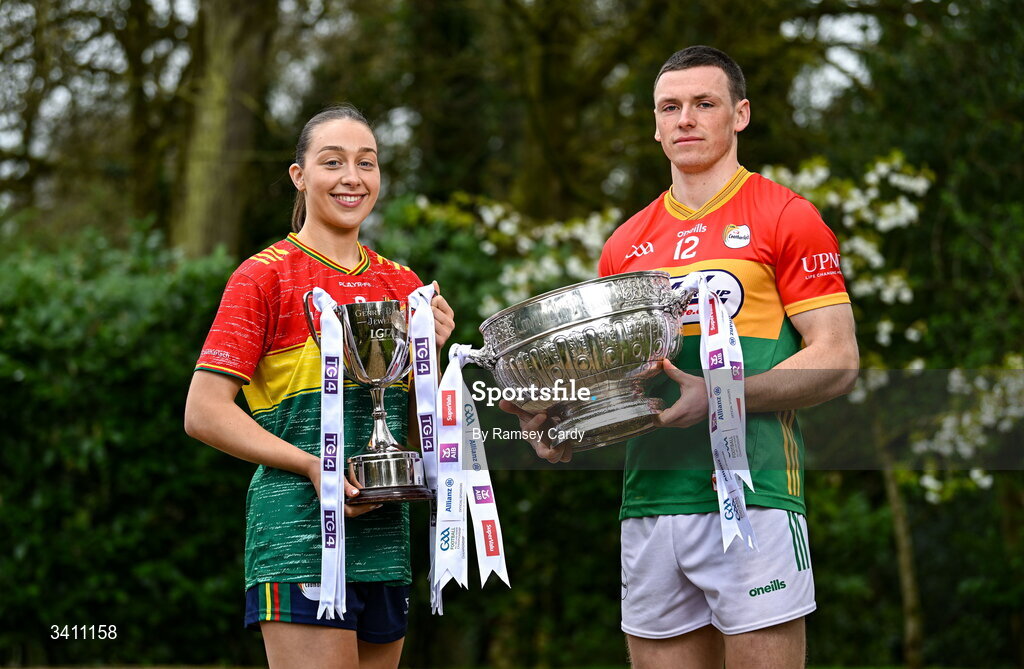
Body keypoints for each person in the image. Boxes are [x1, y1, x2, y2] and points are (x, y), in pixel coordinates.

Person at [503, 46, 859, 668]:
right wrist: (564, 417)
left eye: (704, 104)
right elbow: (621, 385)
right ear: (655, 123)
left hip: (757, 495)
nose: (686, 119)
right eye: (671, 107)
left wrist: (723, 393)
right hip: (649, 500)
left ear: (740, 115)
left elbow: (837, 358)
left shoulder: (788, 216)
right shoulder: (624, 244)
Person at [184, 104, 455, 669]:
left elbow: (412, 428)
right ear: (299, 176)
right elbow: (204, 411)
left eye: (367, 163)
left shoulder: (401, 282)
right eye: (332, 162)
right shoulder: (265, 275)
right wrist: (316, 466)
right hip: (299, 536)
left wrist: (432, 355)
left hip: (385, 538)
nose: (352, 177)